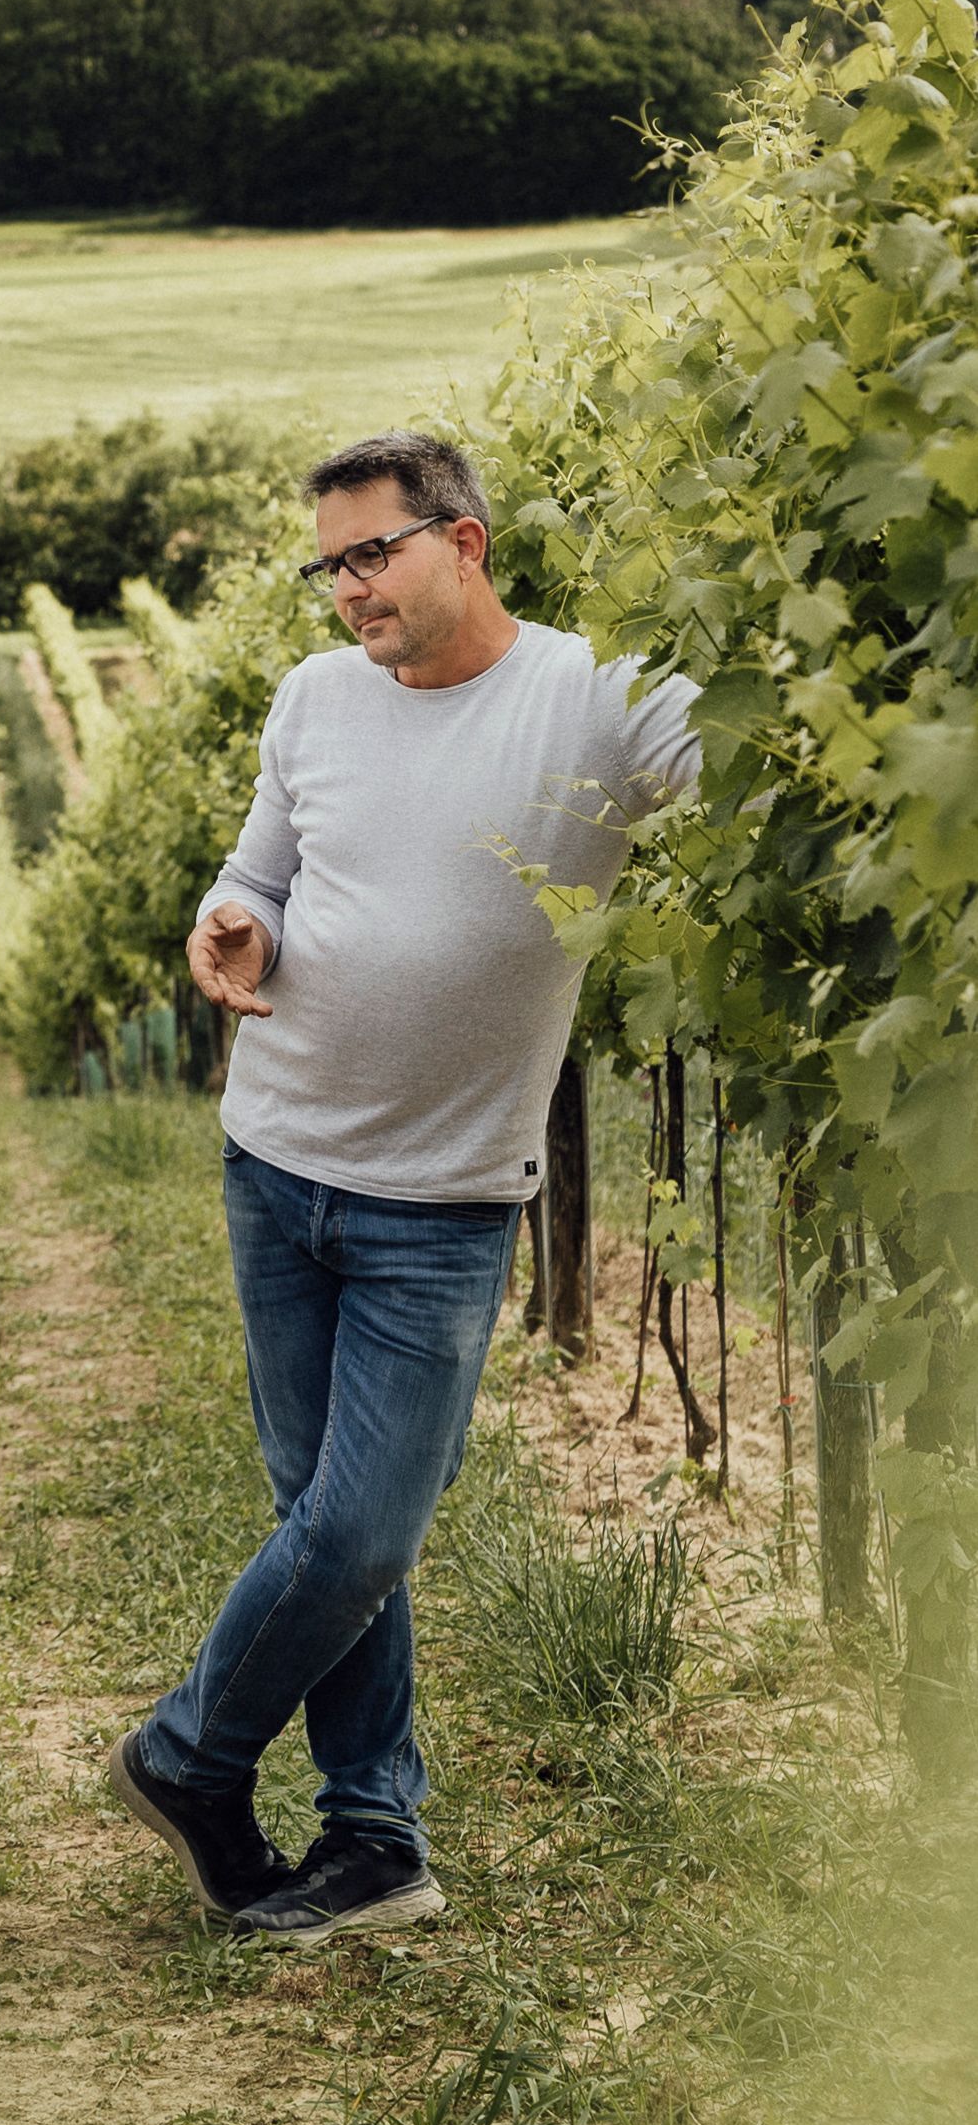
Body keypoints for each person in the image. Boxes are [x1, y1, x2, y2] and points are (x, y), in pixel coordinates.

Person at [113, 431, 699, 1949]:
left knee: (361, 1535)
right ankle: (373, 1836)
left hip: (441, 1199)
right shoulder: (315, 698)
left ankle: (186, 1756)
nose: (346, 589)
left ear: (466, 542)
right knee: (322, 1522)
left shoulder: (595, 699)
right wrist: (228, 922)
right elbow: (261, 870)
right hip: (275, 1162)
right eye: (329, 565)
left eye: (370, 553)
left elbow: (763, 782)